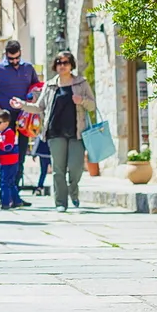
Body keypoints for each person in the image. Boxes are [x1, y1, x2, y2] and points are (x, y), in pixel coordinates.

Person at [17, 50, 98, 212]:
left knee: (75, 168)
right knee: (58, 170)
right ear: (55, 65)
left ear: (71, 65)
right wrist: (22, 104)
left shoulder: (81, 83)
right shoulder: (50, 85)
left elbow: (93, 105)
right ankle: (60, 202)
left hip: (77, 132)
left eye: (66, 62)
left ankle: (73, 191)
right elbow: (39, 107)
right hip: (55, 132)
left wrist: (81, 100)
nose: (62, 66)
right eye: (59, 62)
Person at [0, 39, 38, 207]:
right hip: (5, 121)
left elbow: (36, 86)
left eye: (17, 58)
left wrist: (31, 99)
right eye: (11, 59)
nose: (14, 62)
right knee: (5, 157)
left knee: (19, 156)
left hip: (23, 120)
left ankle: (16, 195)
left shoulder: (28, 68)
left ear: (20, 53)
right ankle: (3, 193)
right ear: (6, 55)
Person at [0, 109, 22, 209]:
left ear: (6, 123)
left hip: (10, 162)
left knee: (5, 182)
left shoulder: (9, 133)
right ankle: (17, 201)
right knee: (9, 182)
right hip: (3, 161)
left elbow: (8, 147)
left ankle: (5, 202)